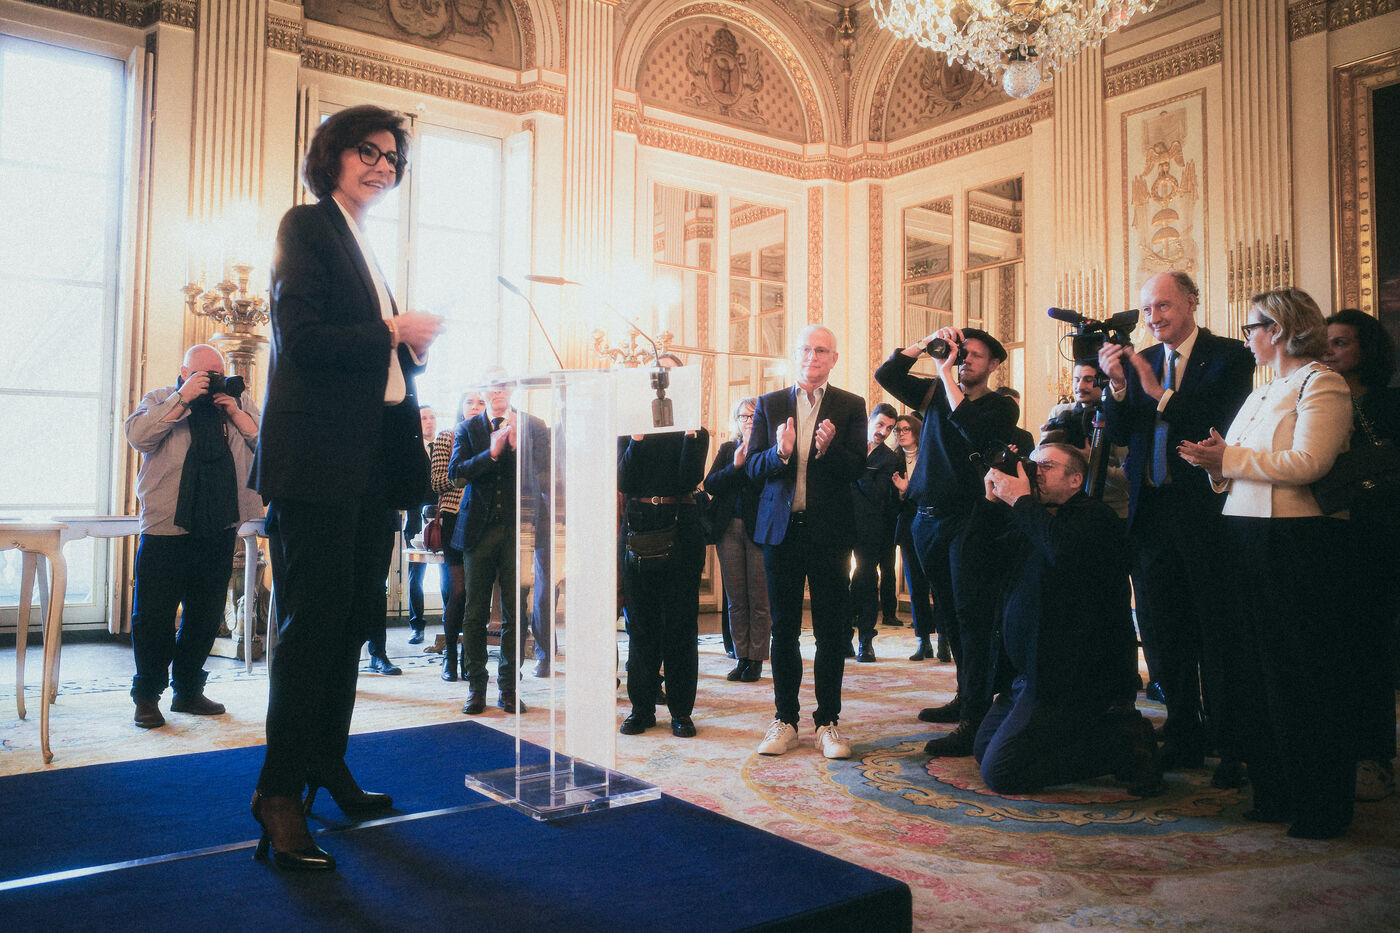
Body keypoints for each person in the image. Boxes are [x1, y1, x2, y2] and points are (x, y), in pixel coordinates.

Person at [249, 104, 443, 871]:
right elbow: (301, 339)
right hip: (317, 466)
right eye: (369, 150)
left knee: (353, 624)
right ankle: (276, 793)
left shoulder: (364, 243)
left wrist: (411, 351)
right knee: (311, 629)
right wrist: (394, 330)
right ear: (332, 153)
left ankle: (326, 762)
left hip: (371, 467)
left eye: (393, 158)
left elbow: (372, 360)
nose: (383, 166)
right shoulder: (306, 226)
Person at [1179, 286, 1354, 839]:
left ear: (1277, 329)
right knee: (1252, 671)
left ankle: (1319, 804)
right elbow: (1240, 467)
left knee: (1298, 673)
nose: (1246, 338)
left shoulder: (1321, 382)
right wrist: (1215, 464)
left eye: (1251, 327)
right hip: (1243, 533)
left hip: (1295, 540)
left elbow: (1309, 462)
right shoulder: (1262, 390)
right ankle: (1274, 790)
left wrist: (1228, 457)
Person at [1099, 271, 1254, 783]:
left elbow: (1213, 420)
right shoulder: (1143, 361)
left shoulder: (1229, 355)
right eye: (1147, 309)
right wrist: (1119, 386)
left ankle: (1232, 745)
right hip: (1151, 517)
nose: (1153, 317)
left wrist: (1154, 390)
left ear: (1191, 301)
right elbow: (1120, 433)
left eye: (1163, 306)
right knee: (1165, 634)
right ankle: (1184, 735)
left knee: (1217, 633)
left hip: (1206, 515)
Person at [972, 442, 1161, 796]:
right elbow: (979, 563)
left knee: (1001, 772)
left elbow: (1062, 552)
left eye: (1046, 465)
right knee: (982, 751)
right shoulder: (1034, 516)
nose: (1035, 472)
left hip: (1070, 679)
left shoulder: (1096, 518)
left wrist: (1022, 501)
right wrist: (990, 503)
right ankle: (1087, 734)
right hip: (1028, 674)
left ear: (1076, 480)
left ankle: (1121, 744)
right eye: (1034, 464)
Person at [875, 326, 1020, 757]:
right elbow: (887, 375)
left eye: (976, 355)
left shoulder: (1000, 406)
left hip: (970, 520)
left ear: (994, 364)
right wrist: (925, 345)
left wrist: (944, 374)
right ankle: (965, 697)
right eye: (963, 352)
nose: (966, 360)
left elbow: (970, 426)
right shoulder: (936, 392)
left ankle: (975, 718)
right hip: (926, 518)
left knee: (973, 618)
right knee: (950, 617)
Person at [123, 344, 262, 728]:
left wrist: (236, 412)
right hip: (167, 525)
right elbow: (139, 436)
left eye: (217, 373)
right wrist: (182, 399)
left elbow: (269, 446)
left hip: (220, 524)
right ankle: (147, 696)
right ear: (184, 372)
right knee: (153, 616)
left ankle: (187, 690)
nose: (213, 380)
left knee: (205, 615)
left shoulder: (238, 402)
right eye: (204, 374)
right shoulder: (160, 398)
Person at [748, 325, 867, 760]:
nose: (811, 356)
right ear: (794, 355)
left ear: (834, 359)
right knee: (783, 629)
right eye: (805, 349)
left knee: (831, 630)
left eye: (821, 350)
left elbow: (857, 468)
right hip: (781, 532)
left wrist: (829, 448)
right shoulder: (770, 403)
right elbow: (752, 468)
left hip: (830, 533)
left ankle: (827, 722)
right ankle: (785, 720)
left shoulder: (851, 405)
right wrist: (779, 452)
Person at [1323, 308, 1398, 801]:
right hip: (1327, 532)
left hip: (1377, 533)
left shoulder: (1388, 403)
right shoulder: (1314, 400)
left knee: (1371, 645)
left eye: (1341, 343)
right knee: (1336, 648)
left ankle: (1375, 755)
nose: (1329, 352)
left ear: (1365, 350)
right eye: (1325, 343)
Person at [619, 354, 710, 737]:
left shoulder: (696, 430)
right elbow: (625, 480)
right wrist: (637, 438)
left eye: (671, 373)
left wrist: (689, 435)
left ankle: (681, 711)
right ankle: (641, 709)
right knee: (640, 625)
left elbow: (688, 478)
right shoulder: (629, 427)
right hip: (639, 527)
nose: (663, 380)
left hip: (682, 528)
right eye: (658, 374)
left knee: (680, 625)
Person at [449, 367, 547, 716]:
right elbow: (456, 474)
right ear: (485, 391)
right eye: (493, 386)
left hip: (519, 529)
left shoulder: (532, 424)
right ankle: (476, 687)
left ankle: (509, 687)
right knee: (474, 612)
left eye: (505, 385)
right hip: (478, 530)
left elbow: (547, 471)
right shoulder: (469, 428)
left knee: (515, 612)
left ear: (513, 389)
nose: (499, 391)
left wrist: (520, 449)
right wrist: (490, 454)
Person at [704, 396, 771, 683]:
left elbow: (769, 488)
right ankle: (741, 656)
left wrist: (749, 462)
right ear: (737, 420)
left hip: (759, 529)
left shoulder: (769, 450)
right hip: (728, 528)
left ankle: (756, 659)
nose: (749, 422)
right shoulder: (727, 449)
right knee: (736, 598)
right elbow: (711, 484)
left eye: (754, 416)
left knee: (759, 598)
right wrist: (735, 466)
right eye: (744, 416)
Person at [430, 391, 479, 681]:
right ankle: (450, 655)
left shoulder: (494, 438)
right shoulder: (447, 437)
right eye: (469, 401)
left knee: (476, 593)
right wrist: (469, 470)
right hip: (454, 517)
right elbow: (437, 482)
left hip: (484, 519)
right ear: (461, 405)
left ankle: (467, 657)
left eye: (481, 402)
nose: (475, 407)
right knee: (458, 591)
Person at [848, 403, 900, 663]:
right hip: (839, 524)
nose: (883, 432)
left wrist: (858, 469)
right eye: (880, 424)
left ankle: (866, 641)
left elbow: (877, 493)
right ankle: (843, 637)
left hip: (870, 528)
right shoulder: (848, 446)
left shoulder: (889, 458)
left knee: (867, 581)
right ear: (869, 421)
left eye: (889, 428)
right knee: (839, 582)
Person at [890, 414, 942, 662]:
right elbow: (890, 500)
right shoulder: (894, 461)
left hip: (935, 525)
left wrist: (908, 488)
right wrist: (901, 494)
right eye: (897, 430)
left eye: (906, 429)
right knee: (916, 587)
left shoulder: (932, 455)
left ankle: (945, 639)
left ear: (917, 431)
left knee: (940, 584)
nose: (900, 433)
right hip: (909, 527)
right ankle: (924, 641)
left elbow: (937, 490)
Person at [402, 407, 438, 647]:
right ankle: (417, 626)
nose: (428, 421)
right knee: (416, 575)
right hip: (416, 518)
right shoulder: (411, 450)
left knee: (448, 575)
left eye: (432, 417)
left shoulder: (446, 447)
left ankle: (451, 624)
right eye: (423, 417)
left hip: (442, 516)